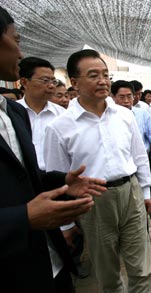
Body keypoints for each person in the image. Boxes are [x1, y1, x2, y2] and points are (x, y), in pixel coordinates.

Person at [0, 7, 106, 292]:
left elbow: (25, 178)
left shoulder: (10, 113)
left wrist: (61, 182)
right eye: (16, 39)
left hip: (49, 261)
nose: (20, 53)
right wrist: (23, 219)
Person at [43, 49, 151, 292]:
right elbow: (57, 180)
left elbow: (139, 156)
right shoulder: (60, 127)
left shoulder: (124, 115)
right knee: (107, 274)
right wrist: (66, 224)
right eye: (93, 75)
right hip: (93, 202)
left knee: (142, 269)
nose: (103, 81)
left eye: (106, 74)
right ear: (75, 82)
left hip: (130, 193)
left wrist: (145, 192)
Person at [17, 56, 65, 170]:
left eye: (53, 81)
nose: (51, 85)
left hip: (55, 176)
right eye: (45, 80)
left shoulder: (62, 114)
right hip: (24, 178)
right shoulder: (12, 112)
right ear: (24, 82)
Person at [111, 80, 151, 154]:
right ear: (113, 97)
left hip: (142, 156)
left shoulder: (142, 114)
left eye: (129, 96)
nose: (126, 101)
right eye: (122, 97)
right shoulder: (109, 116)